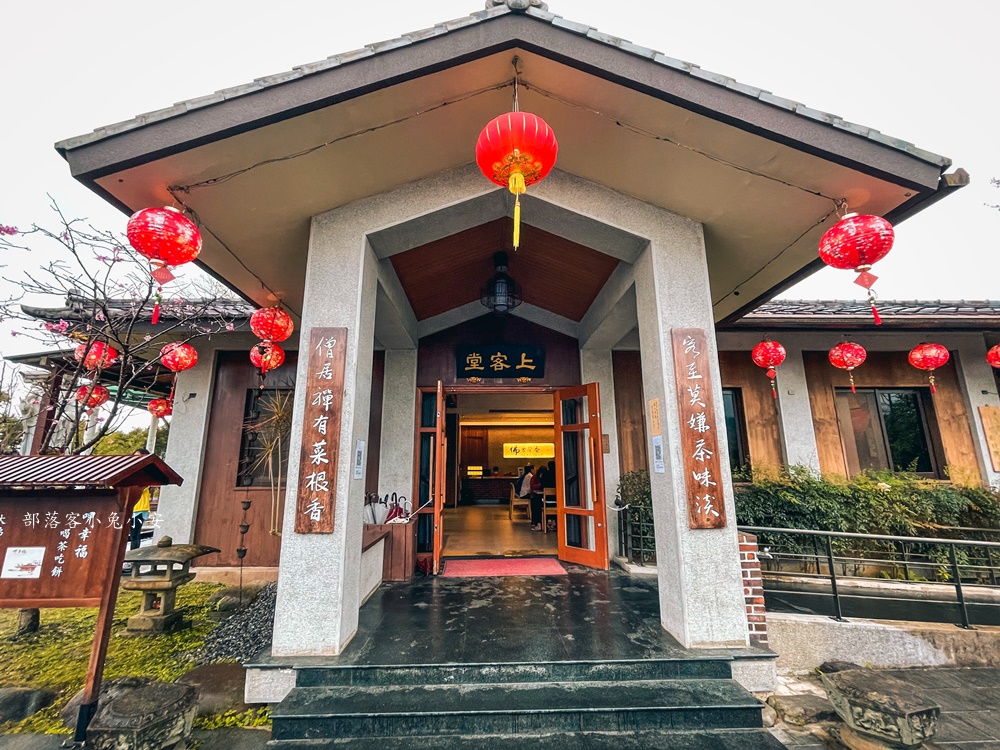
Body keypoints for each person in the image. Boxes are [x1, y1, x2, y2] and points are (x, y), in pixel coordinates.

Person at [130, 448, 152, 550]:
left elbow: (142, 486)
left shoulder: (147, 472)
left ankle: (132, 556)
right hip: (127, 507)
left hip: (139, 508)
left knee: (135, 533)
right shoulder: (129, 469)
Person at [529, 466, 546, 531]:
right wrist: (541, 485)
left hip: (540, 497)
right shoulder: (535, 477)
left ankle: (537, 523)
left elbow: (532, 487)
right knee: (536, 502)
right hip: (547, 500)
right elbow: (532, 486)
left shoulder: (535, 477)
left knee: (536, 503)